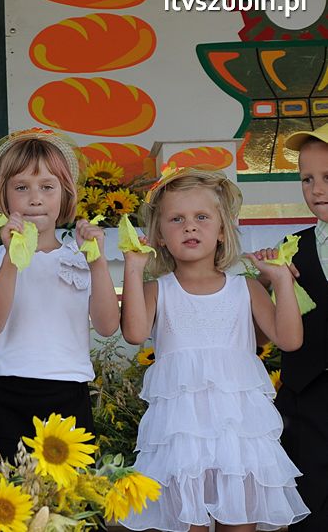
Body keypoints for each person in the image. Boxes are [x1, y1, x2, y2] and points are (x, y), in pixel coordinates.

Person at [120, 167, 308, 532]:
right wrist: (133, 267)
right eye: (177, 219)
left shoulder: (245, 289)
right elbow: (134, 332)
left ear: (222, 231)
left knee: (239, 524)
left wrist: (281, 280)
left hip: (238, 437)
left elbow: (289, 339)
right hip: (181, 438)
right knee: (188, 525)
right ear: (159, 235)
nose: (190, 227)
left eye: (202, 217)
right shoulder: (158, 290)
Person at [0, 128, 120, 460]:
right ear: (4, 195)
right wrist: (13, 257)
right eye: (21, 187)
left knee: (67, 502)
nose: (35, 198)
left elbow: (107, 325)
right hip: (6, 390)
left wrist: (97, 262)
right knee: (4, 499)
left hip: (69, 392)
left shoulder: (80, 257)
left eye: (47, 187)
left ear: (65, 194)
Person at [260, 124, 328, 531]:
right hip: (306, 399)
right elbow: (271, 328)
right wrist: (270, 280)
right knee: (311, 508)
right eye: (307, 179)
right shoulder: (292, 246)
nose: (316, 189)